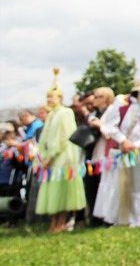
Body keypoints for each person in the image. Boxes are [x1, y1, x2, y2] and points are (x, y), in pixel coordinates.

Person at [96, 75, 140, 227]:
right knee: (120, 184)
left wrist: (135, 144)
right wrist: (123, 140)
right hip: (121, 151)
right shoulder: (122, 104)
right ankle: (121, 217)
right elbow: (111, 126)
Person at [35, 69, 86, 233]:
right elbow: (45, 138)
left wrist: (52, 155)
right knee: (52, 189)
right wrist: (42, 155)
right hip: (50, 157)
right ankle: (53, 222)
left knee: (62, 189)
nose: (50, 99)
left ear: (60, 98)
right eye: (48, 97)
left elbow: (63, 137)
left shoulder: (65, 113)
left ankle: (61, 222)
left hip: (63, 156)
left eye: (52, 96)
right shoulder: (50, 115)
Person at [85, 86, 114, 226]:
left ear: (106, 98)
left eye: (98, 97)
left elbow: (111, 133)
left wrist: (99, 126)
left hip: (106, 154)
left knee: (106, 185)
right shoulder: (94, 114)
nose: (94, 99)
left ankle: (107, 217)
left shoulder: (111, 112)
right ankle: (95, 217)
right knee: (93, 187)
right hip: (94, 154)